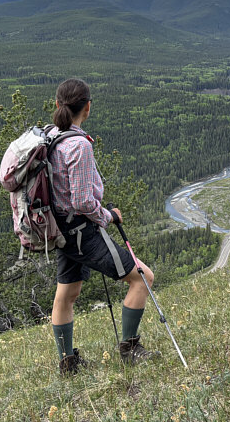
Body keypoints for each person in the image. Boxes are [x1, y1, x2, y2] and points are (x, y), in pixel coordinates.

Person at [48, 78, 160, 374]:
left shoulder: (50, 137)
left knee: (67, 293)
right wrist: (108, 216)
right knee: (143, 278)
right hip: (81, 233)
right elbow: (83, 201)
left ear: (57, 105)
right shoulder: (79, 146)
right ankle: (129, 349)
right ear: (88, 107)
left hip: (60, 231)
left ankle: (68, 364)